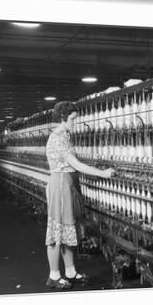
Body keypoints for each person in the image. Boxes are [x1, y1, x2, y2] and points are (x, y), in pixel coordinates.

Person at [45, 101, 115, 289]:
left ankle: (70, 271)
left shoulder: (64, 135)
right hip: (60, 184)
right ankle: (54, 275)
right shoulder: (59, 137)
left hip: (66, 183)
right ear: (62, 118)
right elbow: (75, 164)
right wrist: (102, 173)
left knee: (68, 229)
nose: (75, 122)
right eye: (73, 119)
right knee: (57, 231)